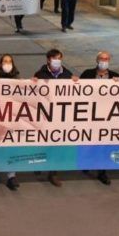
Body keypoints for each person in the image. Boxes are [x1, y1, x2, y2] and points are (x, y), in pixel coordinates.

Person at [33, 48, 76, 187]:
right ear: (48, 60)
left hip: (59, 116)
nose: (57, 61)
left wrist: (76, 82)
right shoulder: (40, 74)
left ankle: (53, 172)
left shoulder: (68, 75)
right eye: (54, 58)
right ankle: (38, 164)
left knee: (56, 144)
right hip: (44, 114)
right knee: (42, 141)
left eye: (59, 58)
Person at [80, 51, 119, 186]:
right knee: (89, 141)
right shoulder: (87, 74)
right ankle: (86, 163)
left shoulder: (115, 76)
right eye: (102, 58)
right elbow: (76, 91)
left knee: (104, 143)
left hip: (108, 117)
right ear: (97, 60)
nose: (104, 61)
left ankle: (102, 171)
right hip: (90, 115)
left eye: (107, 59)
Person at [0, 54, 21, 191]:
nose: (7, 64)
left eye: (10, 61)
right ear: (0, 63)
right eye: (5, 61)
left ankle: (11, 176)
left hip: (12, 118)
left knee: (11, 145)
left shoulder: (19, 80)